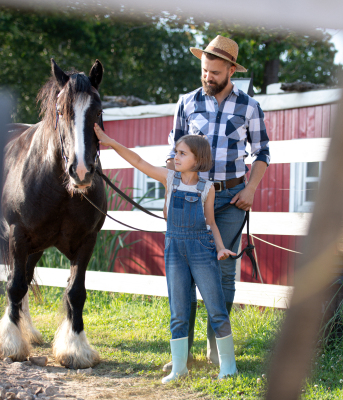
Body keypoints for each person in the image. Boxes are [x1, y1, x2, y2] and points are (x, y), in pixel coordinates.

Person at [93, 124, 238, 382]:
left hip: (202, 250)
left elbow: (212, 223)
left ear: (198, 160)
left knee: (216, 308)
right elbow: (137, 160)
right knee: (178, 310)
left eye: (182, 153)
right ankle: (179, 367)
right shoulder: (169, 179)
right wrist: (108, 141)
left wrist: (221, 247)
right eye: (176, 152)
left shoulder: (208, 188)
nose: (175, 157)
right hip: (174, 250)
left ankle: (228, 365)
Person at [164, 35, 270, 369]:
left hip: (231, 198)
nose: (207, 76)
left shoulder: (249, 107)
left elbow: (263, 152)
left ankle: (216, 352)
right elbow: (174, 153)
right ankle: (184, 356)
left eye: (214, 72)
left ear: (231, 70)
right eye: (204, 70)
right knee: (187, 272)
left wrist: (251, 189)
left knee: (222, 273)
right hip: (192, 195)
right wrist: (171, 190)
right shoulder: (187, 103)